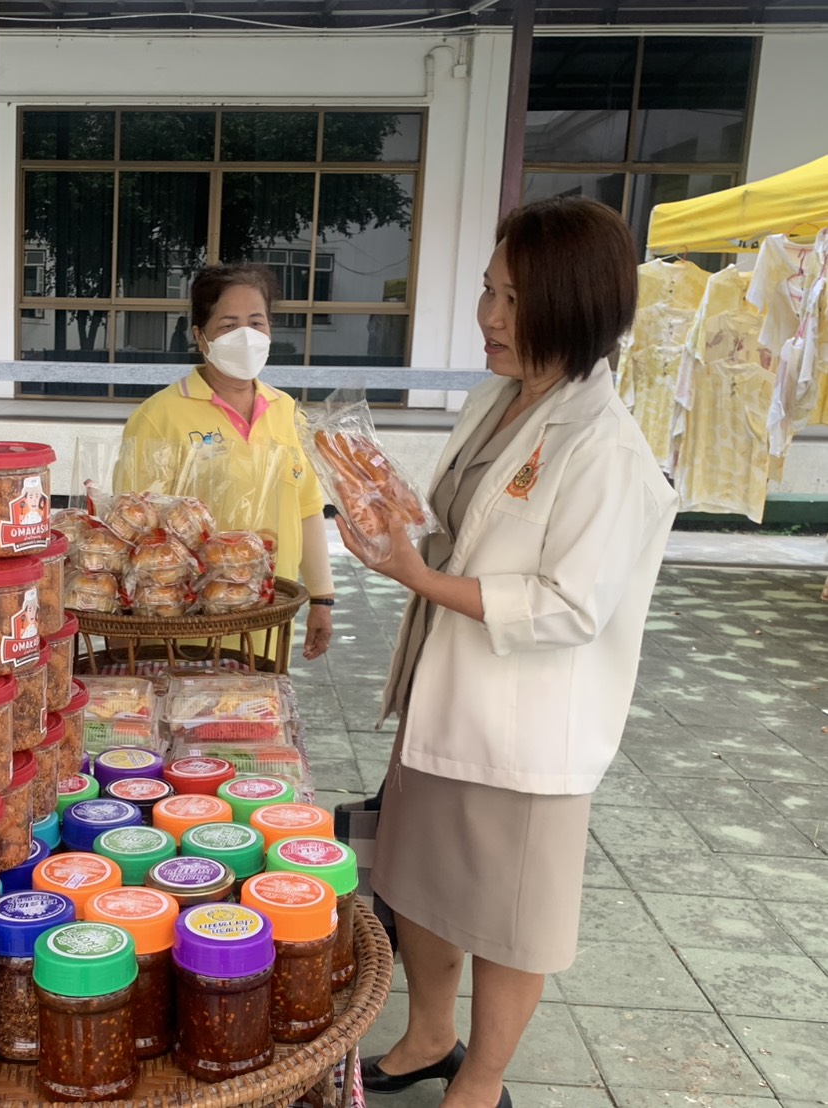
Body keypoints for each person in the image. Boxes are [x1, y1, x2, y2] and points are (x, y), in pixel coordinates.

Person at [348, 197, 677, 1108]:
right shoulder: (499, 398)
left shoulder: (607, 450)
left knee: (508, 922)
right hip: (444, 696)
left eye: (513, 297)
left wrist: (415, 576)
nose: (488, 317)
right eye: (487, 291)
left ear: (573, 303)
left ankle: (481, 1083)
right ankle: (427, 1036)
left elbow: (568, 606)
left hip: (522, 733)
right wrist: (390, 517)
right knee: (414, 884)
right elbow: (463, 526)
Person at [116, 263, 335, 660]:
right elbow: (133, 533)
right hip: (187, 628)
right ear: (200, 335)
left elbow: (307, 508)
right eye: (228, 325)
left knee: (259, 717)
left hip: (270, 617)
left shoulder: (286, 411)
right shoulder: (159, 417)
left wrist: (323, 598)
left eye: (257, 322)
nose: (246, 337)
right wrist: (131, 637)